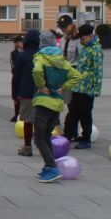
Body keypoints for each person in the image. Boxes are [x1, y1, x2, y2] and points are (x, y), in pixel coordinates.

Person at [31, 30, 81, 183]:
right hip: (57, 104)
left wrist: (41, 85)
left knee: (39, 138)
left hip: (43, 102)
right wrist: (64, 87)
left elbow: (37, 70)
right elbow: (77, 76)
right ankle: (49, 166)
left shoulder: (40, 57)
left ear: (41, 44)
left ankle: (51, 167)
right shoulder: (62, 60)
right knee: (46, 135)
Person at [64, 23, 103, 148]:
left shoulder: (96, 49)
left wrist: (96, 89)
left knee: (85, 114)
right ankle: (69, 135)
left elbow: (98, 71)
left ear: (90, 36)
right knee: (73, 112)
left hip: (88, 88)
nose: (81, 41)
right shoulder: (86, 48)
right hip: (78, 86)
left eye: (83, 38)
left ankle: (86, 139)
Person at [13, 29, 39, 158]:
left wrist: (15, 94)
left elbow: (16, 77)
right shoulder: (43, 55)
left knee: (28, 121)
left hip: (26, 92)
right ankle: (44, 145)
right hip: (42, 92)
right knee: (41, 121)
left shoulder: (22, 56)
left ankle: (27, 146)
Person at [8, 34, 25, 122]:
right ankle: (16, 113)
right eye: (21, 42)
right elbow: (14, 65)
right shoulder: (14, 53)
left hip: (24, 77)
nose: (22, 44)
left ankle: (23, 113)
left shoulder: (26, 52)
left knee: (24, 97)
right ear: (16, 43)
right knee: (16, 96)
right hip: (17, 77)